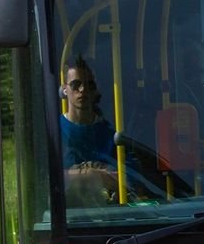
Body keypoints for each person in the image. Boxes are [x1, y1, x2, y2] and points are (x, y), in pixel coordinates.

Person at [58, 63, 188, 203]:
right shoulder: (53, 130)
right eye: (76, 84)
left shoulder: (114, 133)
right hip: (70, 216)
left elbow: (133, 178)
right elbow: (47, 179)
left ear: (96, 90)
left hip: (116, 214)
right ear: (64, 89)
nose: (83, 90)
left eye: (90, 85)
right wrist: (92, 175)